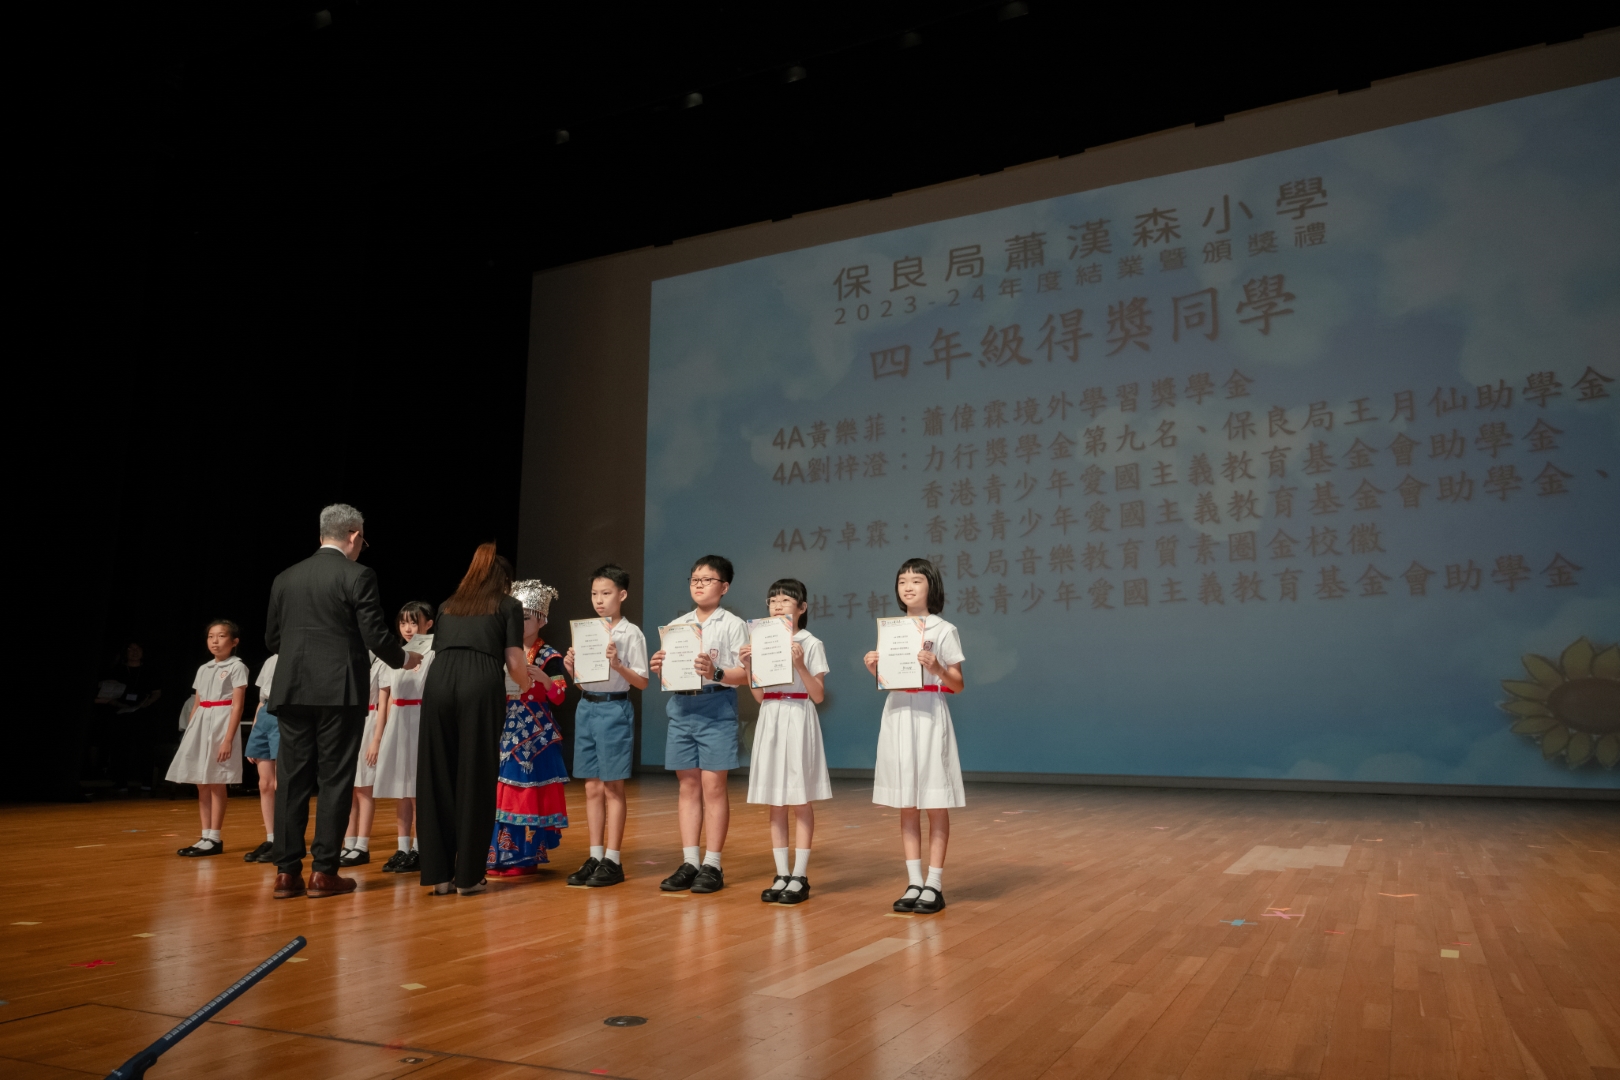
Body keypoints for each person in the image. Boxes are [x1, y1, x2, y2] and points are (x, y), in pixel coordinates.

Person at [265, 503, 416, 900]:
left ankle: (286, 873)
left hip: (292, 689)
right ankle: (323, 872)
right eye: (362, 540)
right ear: (353, 535)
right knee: (334, 779)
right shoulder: (358, 574)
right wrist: (405, 659)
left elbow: (272, 639)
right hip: (339, 690)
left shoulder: (285, 577)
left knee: (292, 780)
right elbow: (375, 635)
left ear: (321, 535)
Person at [417, 543, 531, 896]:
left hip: (438, 681)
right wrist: (527, 684)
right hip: (479, 681)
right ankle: (468, 877)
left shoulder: (448, 605)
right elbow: (515, 662)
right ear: (504, 581)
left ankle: (438, 876)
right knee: (476, 775)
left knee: (436, 774)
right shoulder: (508, 605)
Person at [862, 558, 965, 915]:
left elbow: (958, 683)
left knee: (934, 801)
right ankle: (914, 881)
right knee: (907, 802)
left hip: (930, 713)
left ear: (931, 586)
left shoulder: (944, 629)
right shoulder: (892, 629)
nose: (908, 587)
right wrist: (875, 670)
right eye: (902, 581)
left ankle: (934, 883)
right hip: (898, 713)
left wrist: (937, 668)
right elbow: (892, 678)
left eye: (916, 580)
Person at [647, 555, 746, 895]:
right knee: (687, 785)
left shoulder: (732, 624)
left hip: (717, 705)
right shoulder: (678, 625)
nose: (699, 584)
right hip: (682, 706)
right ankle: (690, 861)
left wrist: (716, 672)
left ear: (724, 587)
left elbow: (746, 674)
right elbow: (672, 673)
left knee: (713, 786)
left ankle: (713, 864)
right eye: (694, 579)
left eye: (707, 579)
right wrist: (661, 668)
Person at [739, 578, 830, 905]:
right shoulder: (762, 641)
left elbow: (818, 695)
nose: (777, 605)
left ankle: (800, 875)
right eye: (772, 600)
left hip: (798, 715)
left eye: (786, 600)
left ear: (802, 608)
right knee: (775, 801)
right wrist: (749, 666)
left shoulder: (810, 642)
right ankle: (781, 873)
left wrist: (800, 664)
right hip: (772, 716)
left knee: (800, 799)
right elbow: (760, 697)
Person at [562, 564, 648, 888]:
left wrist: (617, 664)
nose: (599, 600)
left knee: (613, 786)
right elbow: (583, 683)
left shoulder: (631, 633)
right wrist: (572, 669)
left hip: (614, 709)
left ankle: (613, 860)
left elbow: (642, 682)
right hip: (587, 707)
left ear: (622, 595)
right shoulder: (588, 632)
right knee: (591, 787)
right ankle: (595, 855)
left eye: (606, 593)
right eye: (595, 594)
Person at [488, 580, 570, 876]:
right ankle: (498, 854)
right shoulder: (502, 651)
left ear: (541, 620)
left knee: (528, 793)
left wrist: (546, 681)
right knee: (502, 790)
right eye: (516, 617)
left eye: (525, 617)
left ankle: (525, 857)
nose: (519, 623)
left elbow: (559, 697)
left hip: (537, 735)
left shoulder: (549, 656)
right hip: (506, 727)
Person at [166, 620, 248, 856]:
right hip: (201, 722)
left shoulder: (237, 667)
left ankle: (215, 837)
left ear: (234, 641)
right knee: (201, 782)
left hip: (221, 722)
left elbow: (237, 706)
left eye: (221, 636)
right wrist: (190, 733)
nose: (215, 641)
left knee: (216, 780)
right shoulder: (203, 668)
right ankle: (204, 835)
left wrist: (228, 739)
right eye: (211, 636)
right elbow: (197, 703)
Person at [372, 602, 435, 873]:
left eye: (414, 622)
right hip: (398, 720)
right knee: (401, 791)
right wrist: (380, 735)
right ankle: (402, 847)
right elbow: (386, 698)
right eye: (403, 622)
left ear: (428, 624)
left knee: (418, 790)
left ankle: (421, 848)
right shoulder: (395, 655)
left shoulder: (433, 654)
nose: (408, 628)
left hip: (420, 719)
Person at [339, 653, 391, 867]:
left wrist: (377, 739)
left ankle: (362, 845)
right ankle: (349, 842)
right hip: (347, 723)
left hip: (369, 723)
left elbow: (383, 702)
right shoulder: (349, 656)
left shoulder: (381, 662)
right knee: (349, 788)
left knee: (364, 788)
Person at [93, 641, 164, 793]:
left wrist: (147, 703)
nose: (134, 651)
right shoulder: (116, 670)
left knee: (145, 748)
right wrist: (115, 703)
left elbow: (157, 692)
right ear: (125, 652)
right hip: (120, 713)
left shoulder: (150, 671)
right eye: (131, 649)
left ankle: (146, 782)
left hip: (144, 714)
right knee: (120, 749)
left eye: (138, 648)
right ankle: (121, 782)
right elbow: (104, 693)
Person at [242, 654, 280, 863]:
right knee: (265, 783)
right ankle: (271, 837)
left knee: (281, 783)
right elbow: (261, 699)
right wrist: (255, 730)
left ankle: (285, 838)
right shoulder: (270, 660)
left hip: (285, 713)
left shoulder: (300, 653)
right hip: (265, 713)